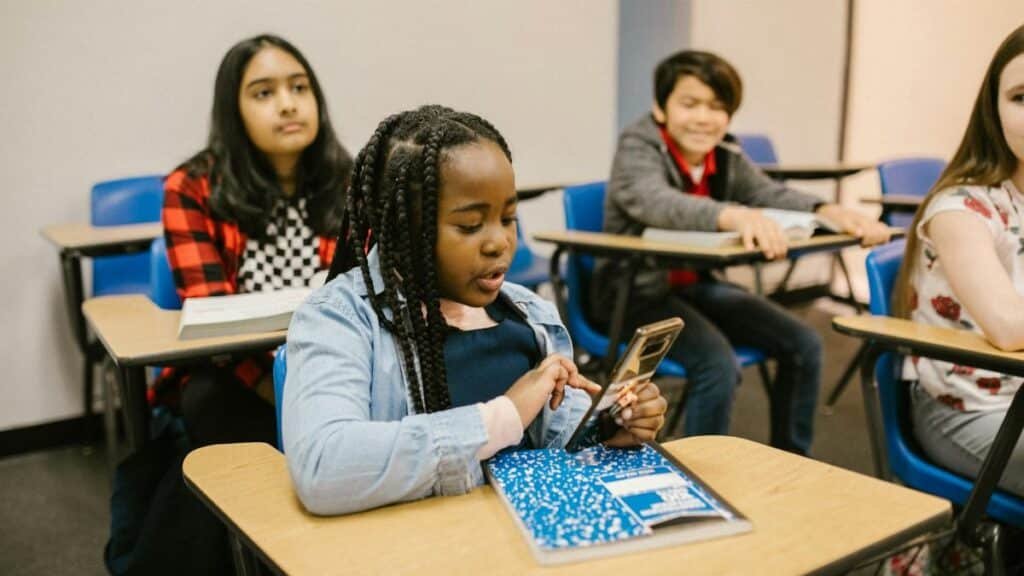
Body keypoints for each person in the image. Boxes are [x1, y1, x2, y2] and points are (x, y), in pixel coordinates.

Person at [283, 105, 669, 515]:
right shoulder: (339, 319)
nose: (500, 242)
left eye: (508, 218)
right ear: (401, 230)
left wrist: (610, 424)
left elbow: (556, 435)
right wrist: (502, 417)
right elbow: (324, 468)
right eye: (469, 226)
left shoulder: (530, 315)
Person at [106, 34, 352, 575]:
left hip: (334, 370)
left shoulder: (350, 180)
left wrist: (320, 388)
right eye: (263, 93)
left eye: (300, 87)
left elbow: (362, 301)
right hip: (240, 375)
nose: (288, 103)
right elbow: (214, 318)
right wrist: (285, 394)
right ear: (233, 110)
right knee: (209, 404)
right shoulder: (193, 187)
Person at [593, 50, 890, 455]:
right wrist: (734, 216)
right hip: (633, 295)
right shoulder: (638, 144)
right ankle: (696, 475)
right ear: (661, 108)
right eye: (690, 103)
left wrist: (827, 210)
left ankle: (793, 459)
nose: (703, 117)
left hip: (697, 287)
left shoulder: (725, 153)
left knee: (804, 343)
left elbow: (767, 192)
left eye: (717, 107)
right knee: (717, 365)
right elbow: (652, 199)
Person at [893, 24, 1024, 497]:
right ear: (993, 109)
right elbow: (1009, 327)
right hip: (971, 408)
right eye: (1022, 97)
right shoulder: (961, 208)